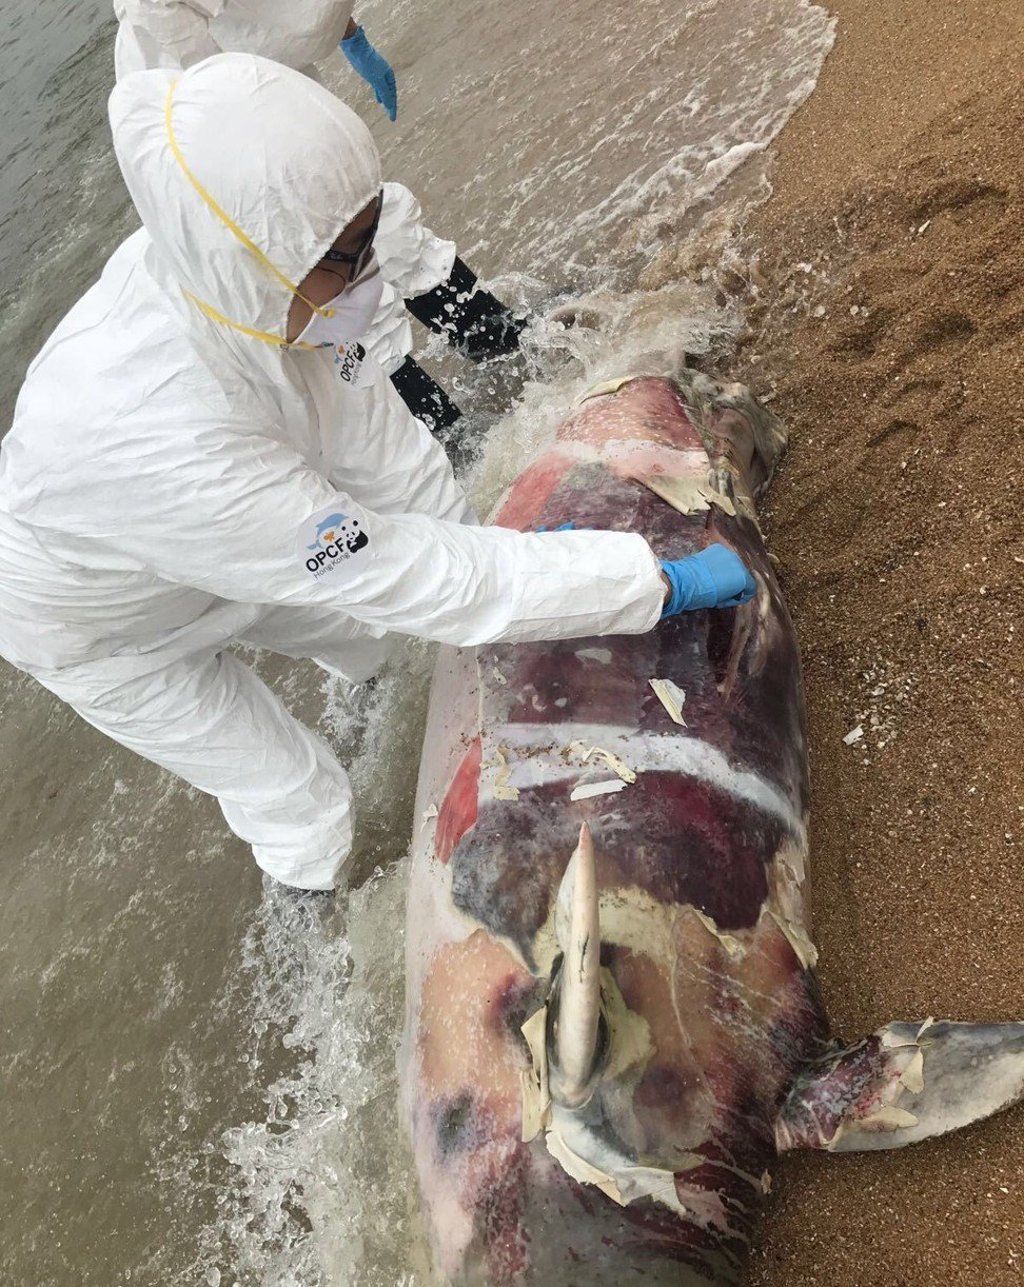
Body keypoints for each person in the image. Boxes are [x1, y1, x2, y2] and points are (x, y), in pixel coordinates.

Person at [0, 55, 755, 893]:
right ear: (267, 267)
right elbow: (401, 572)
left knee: (374, 646)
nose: (368, 272)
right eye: (346, 255)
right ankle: (317, 914)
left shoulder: (266, 281)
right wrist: (645, 581)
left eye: (369, 236)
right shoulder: (163, 433)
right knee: (301, 801)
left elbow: (385, 451)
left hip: (219, 531)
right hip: (98, 627)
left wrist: (504, 550)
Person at [111, 0, 524, 434]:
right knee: (329, 285)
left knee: (379, 223)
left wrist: (352, 36)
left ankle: (506, 349)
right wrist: (338, 30)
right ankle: (448, 437)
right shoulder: (159, 35)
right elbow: (299, 18)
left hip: (261, 87)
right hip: (212, 148)